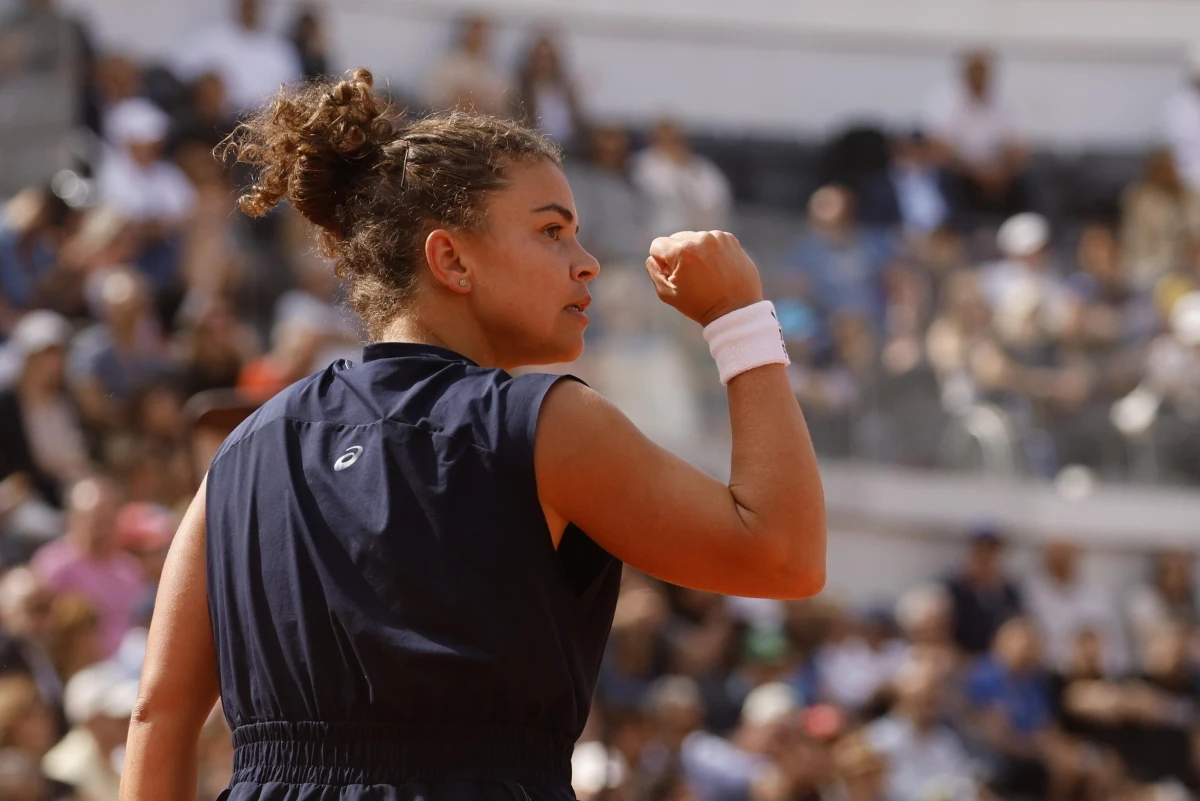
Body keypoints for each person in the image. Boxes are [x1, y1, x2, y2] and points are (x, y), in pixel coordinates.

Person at [120, 69, 826, 799]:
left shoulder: (241, 448)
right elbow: (784, 558)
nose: (585, 262)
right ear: (451, 259)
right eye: (552, 231)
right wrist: (739, 317)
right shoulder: (543, 421)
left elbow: (159, 714)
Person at [923, 50, 1029, 220]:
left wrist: (1000, 170)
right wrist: (978, 172)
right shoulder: (944, 101)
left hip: (997, 173)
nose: (980, 77)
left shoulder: (1003, 102)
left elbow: (1018, 146)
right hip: (961, 173)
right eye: (975, 71)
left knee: (1025, 183)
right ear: (965, 73)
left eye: (984, 72)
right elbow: (940, 148)